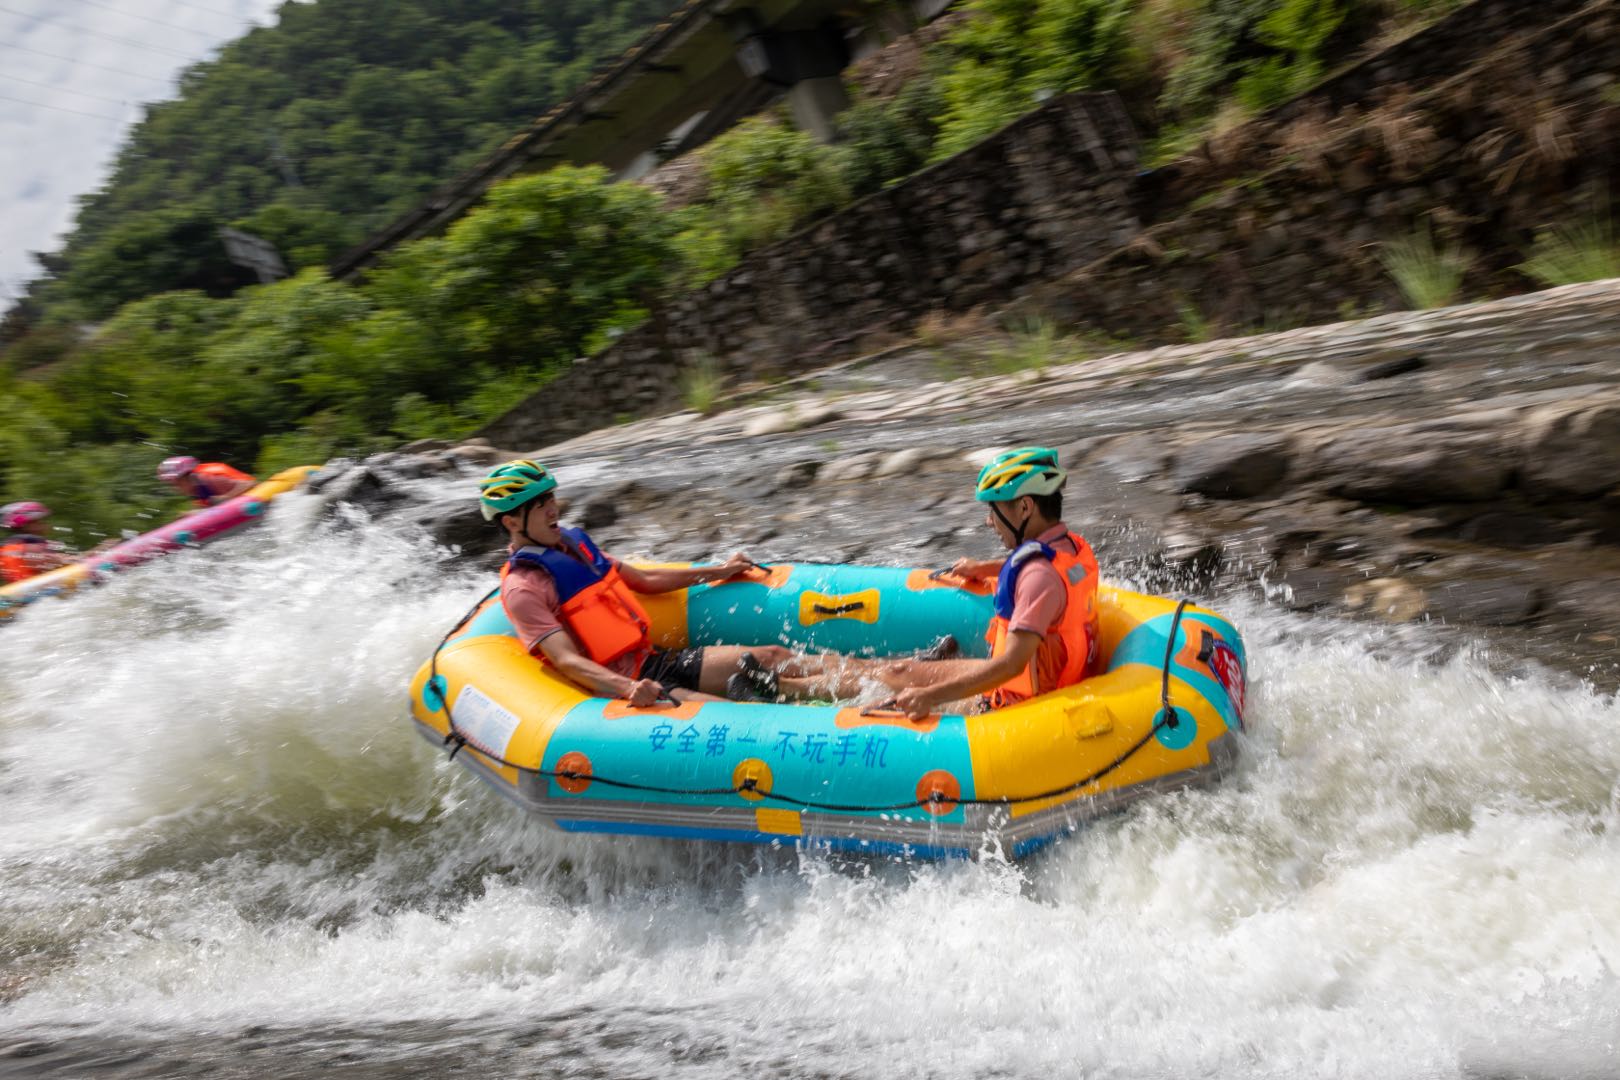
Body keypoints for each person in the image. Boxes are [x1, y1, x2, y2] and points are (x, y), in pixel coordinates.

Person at [766, 447, 1099, 717]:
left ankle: (778, 690)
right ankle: (784, 683)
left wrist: (930, 696)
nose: (989, 521)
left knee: (891, 689)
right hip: (1042, 687)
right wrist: (989, 568)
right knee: (897, 672)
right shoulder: (1072, 549)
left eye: (994, 509)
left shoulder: (1039, 577)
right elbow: (1046, 580)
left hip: (1010, 706)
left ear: (1025, 507)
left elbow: (1011, 665)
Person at [481, 459, 810, 706]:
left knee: (773, 657)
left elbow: (645, 579)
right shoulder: (522, 589)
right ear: (512, 522)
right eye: (540, 505)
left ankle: (846, 686)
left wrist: (719, 571)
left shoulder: (573, 548)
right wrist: (628, 689)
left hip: (652, 660)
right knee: (742, 716)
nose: (553, 510)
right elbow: (566, 660)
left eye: (551, 498)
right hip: (622, 688)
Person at [0, 502, 75, 584]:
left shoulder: (7, 549)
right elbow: (66, 561)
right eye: (38, 522)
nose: (44, 525)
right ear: (27, 525)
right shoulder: (31, 548)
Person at [158, 456, 256, 508]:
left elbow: (250, 484)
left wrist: (226, 497)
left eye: (178, 484)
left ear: (187, 477)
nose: (177, 488)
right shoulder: (197, 489)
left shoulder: (211, 479)